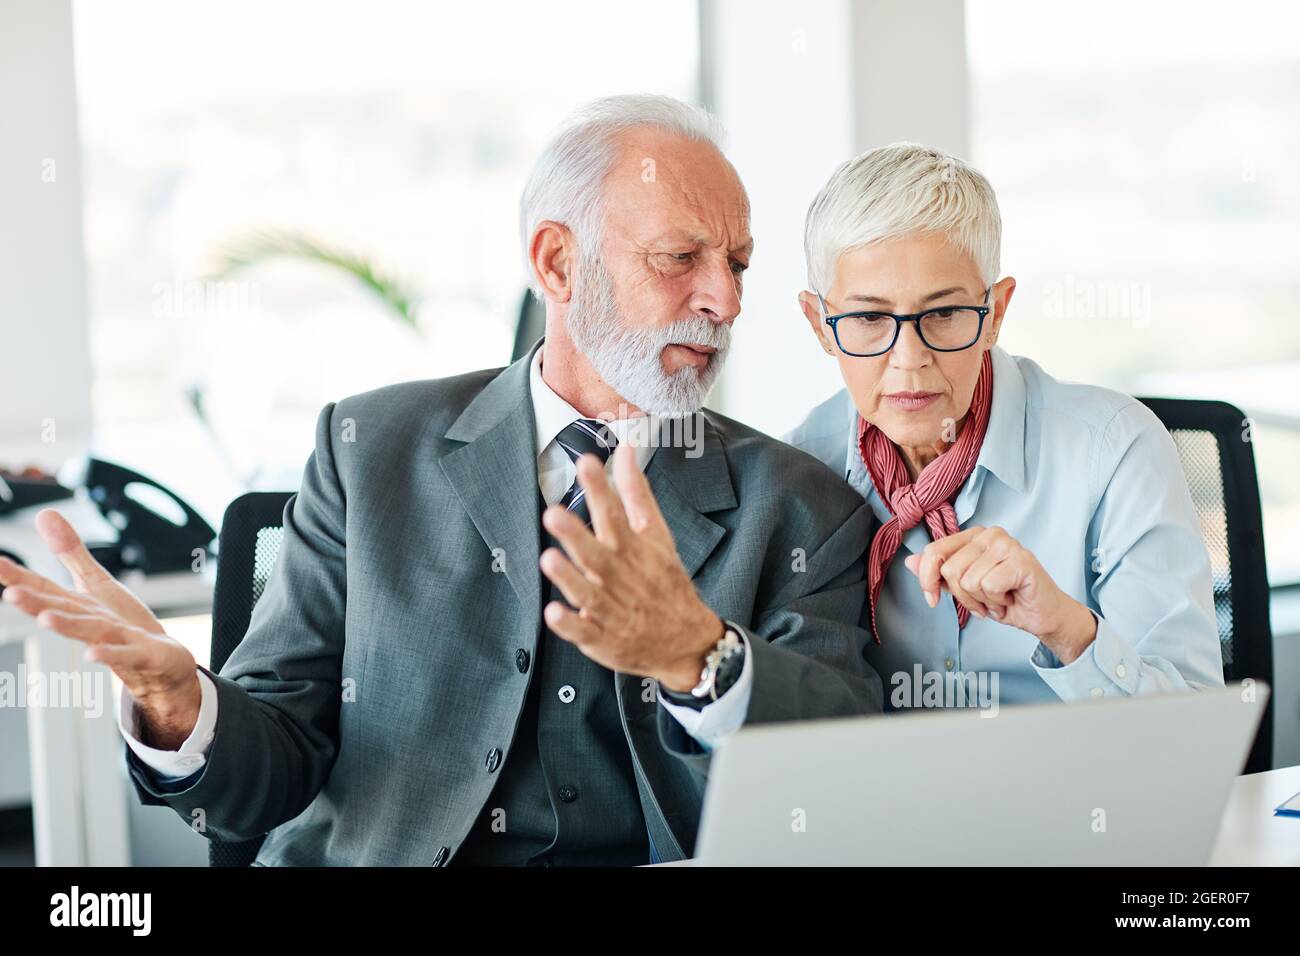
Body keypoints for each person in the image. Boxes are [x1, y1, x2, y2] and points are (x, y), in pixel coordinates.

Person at [0, 95, 881, 866]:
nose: (723, 301)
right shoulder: (367, 449)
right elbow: (274, 763)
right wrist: (181, 705)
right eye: (679, 258)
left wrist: (701, 660)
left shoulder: (803, 507)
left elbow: (844, 784)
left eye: (737, 264)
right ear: (558, 263)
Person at [785, 143, 1224, 709]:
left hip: (1076, 792)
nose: (909, 358)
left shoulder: (1115, 450)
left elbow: (1190, 734)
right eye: (870, 318)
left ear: (995, 313)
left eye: (943, 314)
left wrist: (1066, 627)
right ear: (820, 326)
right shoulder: (798, 470)